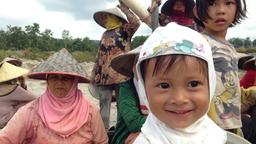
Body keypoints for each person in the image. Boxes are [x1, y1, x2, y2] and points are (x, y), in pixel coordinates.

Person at [132, 22, 250, 144]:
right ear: (144, 90)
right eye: (164, 86)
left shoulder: (218, 137)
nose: (179, 99)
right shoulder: (147, 140)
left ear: (210, 83)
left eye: (193, 84)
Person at [0, 48, 108, 143]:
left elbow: (102, 141)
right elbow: (5, 139)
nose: (59, 82)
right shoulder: (31, 111)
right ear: (47, 80)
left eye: (66, 78)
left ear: (75, 82)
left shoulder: (90, 111)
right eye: (54, 77)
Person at [194, 0, 256, 136]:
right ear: (197, 11)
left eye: (229, 3)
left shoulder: (230, 48)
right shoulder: (199, 44)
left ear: (237, 9)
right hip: (209, 127)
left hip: (232, 123)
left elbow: (228, 87)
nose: (221, 10)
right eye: (211, 4)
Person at [91, 0, 140, 129]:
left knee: (122, 104)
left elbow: (136, 22)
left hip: (121, 74)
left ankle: (121, 131)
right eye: (104, 17)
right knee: (104, 104)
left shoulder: (125, 30)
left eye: (107, 16)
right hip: (104, 76)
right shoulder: (105, 34)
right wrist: (94, 72)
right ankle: (103, 132)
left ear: (115, 17)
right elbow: (100, 54)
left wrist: (125, 8)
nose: (105, 19)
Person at [110, 46, 147, 144]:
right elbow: (133, 123)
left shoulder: (164, 86)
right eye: (137, 62)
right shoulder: (127, 88)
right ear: (133, 68)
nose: (141, 67)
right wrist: (167, 121)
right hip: (126, 136)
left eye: (145, 63)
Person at [0, 61, 36, 129]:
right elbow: (35, 99)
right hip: (2, 122)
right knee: (25, 104)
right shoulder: (14, 88)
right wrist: (23, 83)